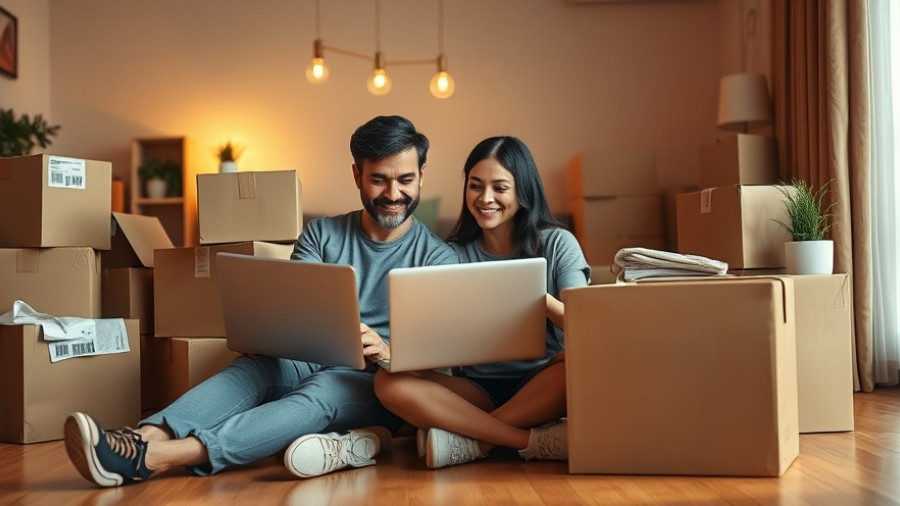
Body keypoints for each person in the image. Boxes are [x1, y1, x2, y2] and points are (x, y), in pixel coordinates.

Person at [63, 115, 458, 487]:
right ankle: (138, 438)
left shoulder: (439, 259)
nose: (393, 194)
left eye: (406, 179)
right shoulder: (321, 234)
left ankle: (154, 459)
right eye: (379, 180)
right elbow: (289, 310)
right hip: (304, 359)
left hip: (372, 385)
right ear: (357, 175)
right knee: (254, 368)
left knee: (323, 391)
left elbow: (441, 365)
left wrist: (387, 351)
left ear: (422, 174)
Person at [372, 135, 591, 469]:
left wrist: (536, 299)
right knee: (387, 383)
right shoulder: (452, 254)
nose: (485, 198)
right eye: (475, 186)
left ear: (523, 190)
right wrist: (393, 352)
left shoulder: (558, 243)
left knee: (577, 365)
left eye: (500, 187)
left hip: (541, 379)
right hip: (474, 389)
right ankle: (526, 439)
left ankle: (472, 440)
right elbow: (432, 340)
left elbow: (589, 328)